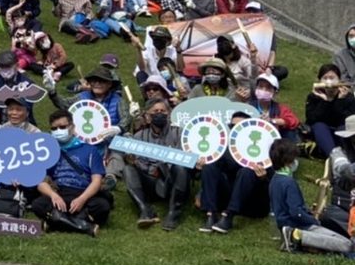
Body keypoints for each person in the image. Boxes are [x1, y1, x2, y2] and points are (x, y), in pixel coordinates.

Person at [31, 110, 112, 237]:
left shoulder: (90, 150)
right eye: (54, 128)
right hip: (60, 192)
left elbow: (97, 181)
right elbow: (41, 182)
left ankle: (56, 220)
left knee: (102, 206)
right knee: (38, 204)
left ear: (72, 127)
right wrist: (53, 195)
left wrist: (82, 199)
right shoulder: (48, 152)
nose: (58, 131)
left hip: (83, 192)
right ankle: (83, 225)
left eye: (62, 127)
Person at [269, 138, 354, 254]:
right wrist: (313, 221)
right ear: (288, 160)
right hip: (298, 225)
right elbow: (296, 212)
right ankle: (295, 236)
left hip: (282, 223)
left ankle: (301, 242)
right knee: (347, 245)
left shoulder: (274, 180)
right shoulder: (289, 182)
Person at [122, 99, 191, 230]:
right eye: (155, 111)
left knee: (180, 167)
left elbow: (185, 157)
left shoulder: (179, 133)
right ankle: (145, 209)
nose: (159, 114)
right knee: (128, 169)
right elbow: (138, 162)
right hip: (151, 181)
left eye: (162, 111)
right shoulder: (139, 137)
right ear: (148, 116)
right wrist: (135, 162)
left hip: (173, 180)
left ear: (168, 114)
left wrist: (162, 165)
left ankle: (174, 212)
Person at [197, 111, 270, 234]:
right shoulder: (224, 150)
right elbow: (212, 174)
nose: (235, 130)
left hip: (254, 201)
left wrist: (263, 178)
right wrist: (201, 166)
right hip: (228, 196)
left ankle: (228, 216)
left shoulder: (263, 150)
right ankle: (211, 213)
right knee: (209, 166)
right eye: (232, 126)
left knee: (247, 171)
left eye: (240, 127)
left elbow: (273, 182)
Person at [305, 64, 355, 156]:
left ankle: (348, 154)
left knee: (344, 127)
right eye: (325, 78)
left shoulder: (348, 97)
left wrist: (340, 101)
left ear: (339, 80)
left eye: (332, 78)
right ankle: (334, 156)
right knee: (319, 126)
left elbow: (347, 120)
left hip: (341, 132)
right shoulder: (314, 96)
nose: (329, 81)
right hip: (322, 134)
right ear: (320, 80)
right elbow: (312, 119)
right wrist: (326, 101)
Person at [249, 73, 300, 142]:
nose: (263, 90)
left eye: (268, 88)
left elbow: (293, 121)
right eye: (260, 86)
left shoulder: (279, 108)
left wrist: (272, 121)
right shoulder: (249, 107)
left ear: (275, 92)